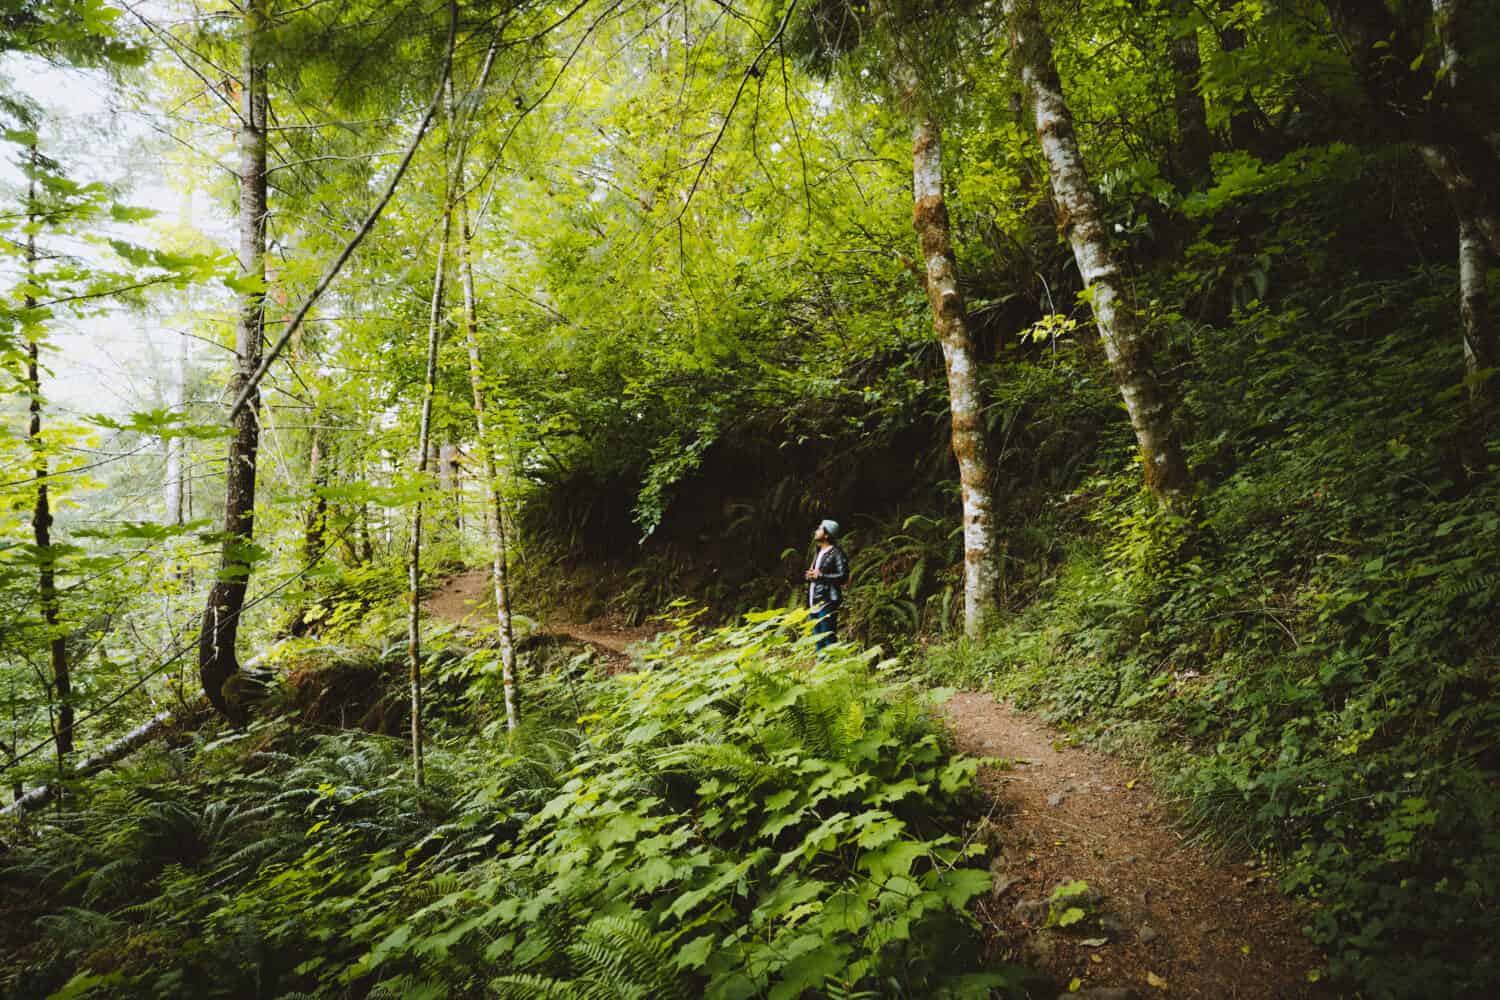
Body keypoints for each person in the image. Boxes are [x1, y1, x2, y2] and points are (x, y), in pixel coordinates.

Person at [804, 519, 849, 650]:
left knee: (828, 639)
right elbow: (817, 575)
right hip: (814, 602)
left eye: (819, 529)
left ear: (827, 534)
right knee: (818, 641)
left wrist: (821, 576)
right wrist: (810, 576)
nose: (816, 531)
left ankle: (835, 667)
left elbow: (843, 576)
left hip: (827, 602)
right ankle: (822, 667)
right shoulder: (818, 552)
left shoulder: (836, 553)